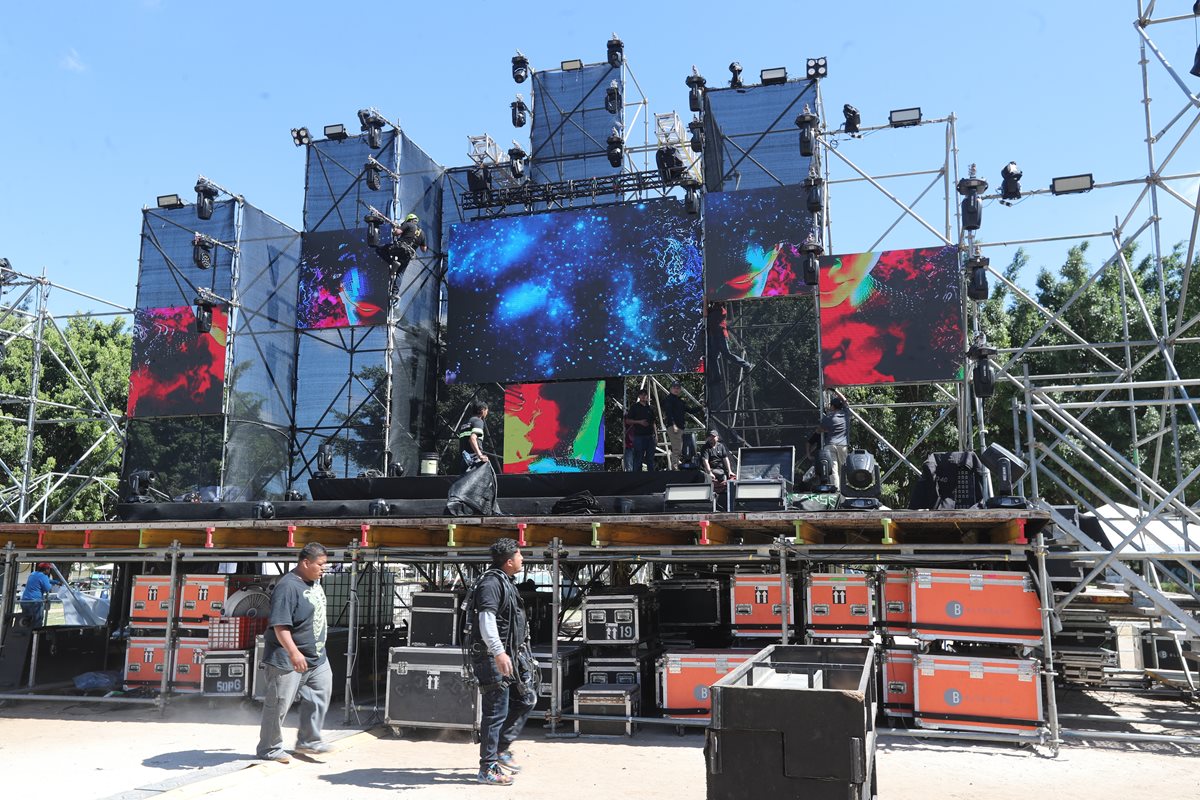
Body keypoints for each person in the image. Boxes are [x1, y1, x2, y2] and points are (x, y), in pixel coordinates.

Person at [257, 542, 332, 764]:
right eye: (320, 564)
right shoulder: (287, 587)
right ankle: (269, 748)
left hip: (317, 657)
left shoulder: (314, 583)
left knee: (320, 693)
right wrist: (294, 653)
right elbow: (280, 626)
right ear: (305, 563)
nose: (324, 568)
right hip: (287, 657)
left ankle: (308, 741)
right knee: (278, 704)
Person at [469, 538, 536, 786]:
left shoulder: (505, 581)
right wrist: (498, 652)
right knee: (495, 712)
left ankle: (500, 749)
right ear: (509, 561)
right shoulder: (490, 584)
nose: (523, 559)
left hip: (509, 655)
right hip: (492, 657)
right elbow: (487, 621)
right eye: (520, 555)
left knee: (527, 699)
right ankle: (487, 769)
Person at [379, 213, 429, 303]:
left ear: (409, 219)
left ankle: (391, 263)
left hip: (400, 248)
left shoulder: (408, 224)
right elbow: (424, 249)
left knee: (380, 249)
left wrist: (395, 230)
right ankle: (394, 294)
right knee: (400, 273)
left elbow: (397, 233)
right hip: (408, 255)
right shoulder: (423, 233)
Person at [807, 389, 851, 487]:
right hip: (843, 445)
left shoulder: (828, 418)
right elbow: (845, 400)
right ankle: (845, 489)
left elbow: (819, 430)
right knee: (843, 468)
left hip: (830, 444)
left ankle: (837, 489)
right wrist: (835, 390)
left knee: (833, 470)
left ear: (833, 406)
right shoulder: (846, 414)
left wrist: (827, 430)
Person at [662, 381, 699, 469]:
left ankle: (676, 464)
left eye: (678, 388)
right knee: (677, 447)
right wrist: (673, 424)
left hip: (680, 427)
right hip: (674, 427)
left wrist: (700, 407)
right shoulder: (669, 399)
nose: (676, 389)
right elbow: (669, 413)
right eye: (674, 388)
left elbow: (690, 410)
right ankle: (674, 466)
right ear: (670, 389)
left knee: (680, 446)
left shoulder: (680, 401)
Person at [624, 388, 656, 472]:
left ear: (647, 396)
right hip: (639, 436)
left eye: (645, 395)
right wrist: (639, 422)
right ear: (639, 396)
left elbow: (653, 422)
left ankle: (652, 477)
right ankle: (637, 478)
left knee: (650, 458)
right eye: (641, 394)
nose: (643, 396)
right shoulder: (634, 407)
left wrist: (656, 435)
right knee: (638, 458)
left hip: (650, 436)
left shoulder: (651, 408)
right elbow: (627, 420)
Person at [20, 562, 58, 628]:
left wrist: (55, 582)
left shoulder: (33, 574)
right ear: (46, 569)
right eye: (49, 569)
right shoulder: (43, 576)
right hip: (35, 602)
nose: (49, 571)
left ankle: (26, 636)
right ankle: (35, 637)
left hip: (24, 601)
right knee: (37, 621)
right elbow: (47, 588)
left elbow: (45, 580)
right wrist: (53, 584)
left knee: (26, 621)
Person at [458, 400, 490, 472]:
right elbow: (472, 439)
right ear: (482, 411)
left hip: (464, 459)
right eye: (486, 410)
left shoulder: (465, 422)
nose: (487, 413)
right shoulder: (478, 421)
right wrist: (480, 455)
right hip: (473, 459)